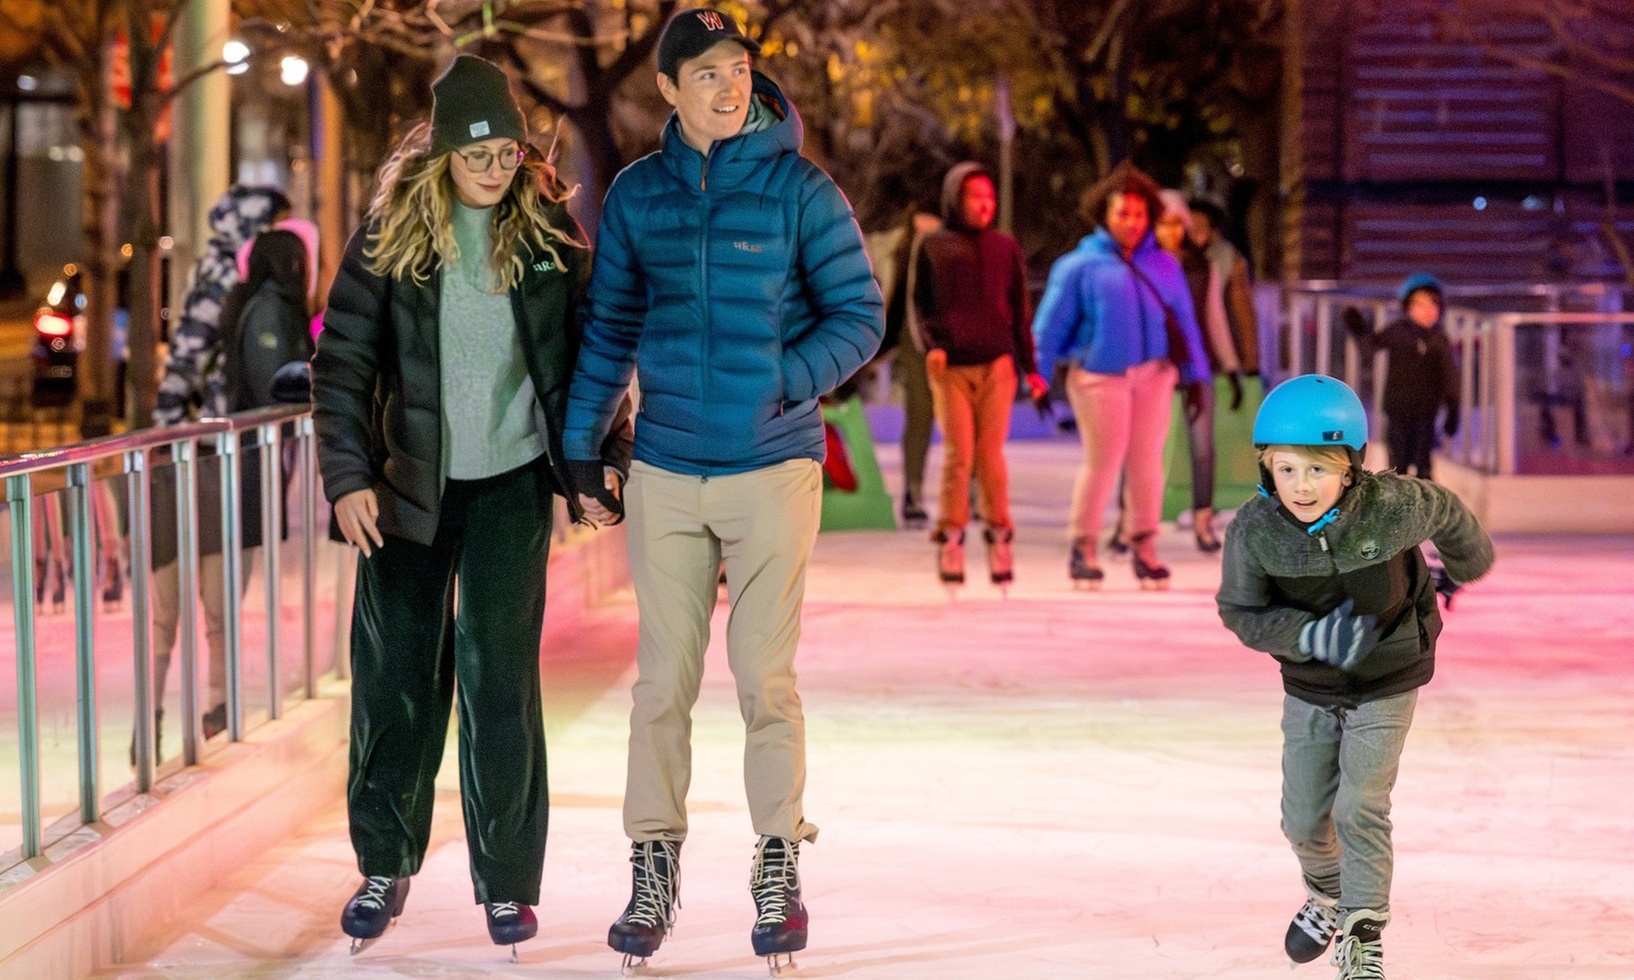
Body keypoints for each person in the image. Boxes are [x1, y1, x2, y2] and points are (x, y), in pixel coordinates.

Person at [560, 8, 884, 973]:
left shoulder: (800, 190)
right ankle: (653, 862)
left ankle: (777, 859)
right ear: (667, 89)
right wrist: (583, 451)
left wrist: (786, 377)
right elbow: (610, 329)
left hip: (773, 464)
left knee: (764, 679)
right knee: (661, 680)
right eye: (705, 73)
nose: (728, 86)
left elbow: (860, 314)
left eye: (738, 69)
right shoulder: (638, 196)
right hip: (664, 467)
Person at [311, 54, 632, 956]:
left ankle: (506, 883)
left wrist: (600, 465)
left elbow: (593, 363)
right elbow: (340, 368)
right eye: (478, 155)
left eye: (508, 155)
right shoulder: (389, 240)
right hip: (406, 489)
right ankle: (384, 862)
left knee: (500, 681)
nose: (495, 170)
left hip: (511, 487)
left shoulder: (549, 241)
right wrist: (348, 479)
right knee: (397, 682)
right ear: (446, 151)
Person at [1216, 374, 1494, 980]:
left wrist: (1464, 566)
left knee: (1359, 807)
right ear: (1267, 468)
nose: (1301, 486)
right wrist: (1306, 637)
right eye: (1286, 470)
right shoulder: (1256, 531)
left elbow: (1447, 510)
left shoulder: (1391, 507)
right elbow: (1240, 610)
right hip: (1310, 686)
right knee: (1303, 821)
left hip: (1389, 676)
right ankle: (1328, 893)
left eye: (1318, 469)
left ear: (1350, 468)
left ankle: (1363, 930)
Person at [146, 184, 291, 758]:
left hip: (214, 452)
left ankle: (211, 706)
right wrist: (165, 434)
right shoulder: (222, 278)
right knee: (205, 588)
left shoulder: (230, 276)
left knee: (213, 590)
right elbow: (185, 359)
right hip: (208, 456)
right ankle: (203, 707)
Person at [1031, 160, 1210, 589]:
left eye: (1139, 213)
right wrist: (1036, 375)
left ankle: (1144, 546)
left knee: (1148, 462)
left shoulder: (1165, 266)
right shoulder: (1079, 266)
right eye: (1121, 212)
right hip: (1099, 376)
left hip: (1155, 374)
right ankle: (1084, 545)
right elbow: (1049, 327)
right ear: (1104, 214)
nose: (1131, 222)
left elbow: (1185, 322)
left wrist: (1196, 376)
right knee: (1105, 460)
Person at [915, 161, 1047, 587]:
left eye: (990, 196)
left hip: (997, 364)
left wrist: (1032, 369)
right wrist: (931, 345)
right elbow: (919, 305)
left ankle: (999, 535)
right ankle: (951, 537)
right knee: (959, 454)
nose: (985, 203)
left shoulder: (1004, 247)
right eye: (975, 195)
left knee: (990, 455)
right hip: (951, 365)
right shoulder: (932, 246)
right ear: (956, 198)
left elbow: (1019, 312)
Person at [1185, 195, 1261, 549]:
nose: (1193, 231)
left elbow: (1237, 313)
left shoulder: (1226, 261)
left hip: (1206, 360)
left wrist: (1245, 364)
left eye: (1201, 225)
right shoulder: (1165, 258)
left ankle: (1204, 514)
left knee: (1203, 443)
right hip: (1165, 363)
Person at [1342, 273, 1460, 480]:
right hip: (1397, 410)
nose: (1427, 311)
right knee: (1397, 465)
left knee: (1423, 463)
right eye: (1420, 305)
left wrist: (1453, 408)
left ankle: (1423, 504)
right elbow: (1370, 348)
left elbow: (1450, 376)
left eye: (1433, 305)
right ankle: (1397, 505)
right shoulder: (1397, 331)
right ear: (1407, 307)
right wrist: (1358, 329)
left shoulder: (1439, 339)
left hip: (1426, 413)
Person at [881, 205, 943, 528]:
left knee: (967, 419)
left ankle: (974, 488)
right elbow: (899, 295)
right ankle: (913, 489)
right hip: (915, 340)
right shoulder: (905, 245)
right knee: (920, 412)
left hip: (954, 340)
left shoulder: (952, 238)